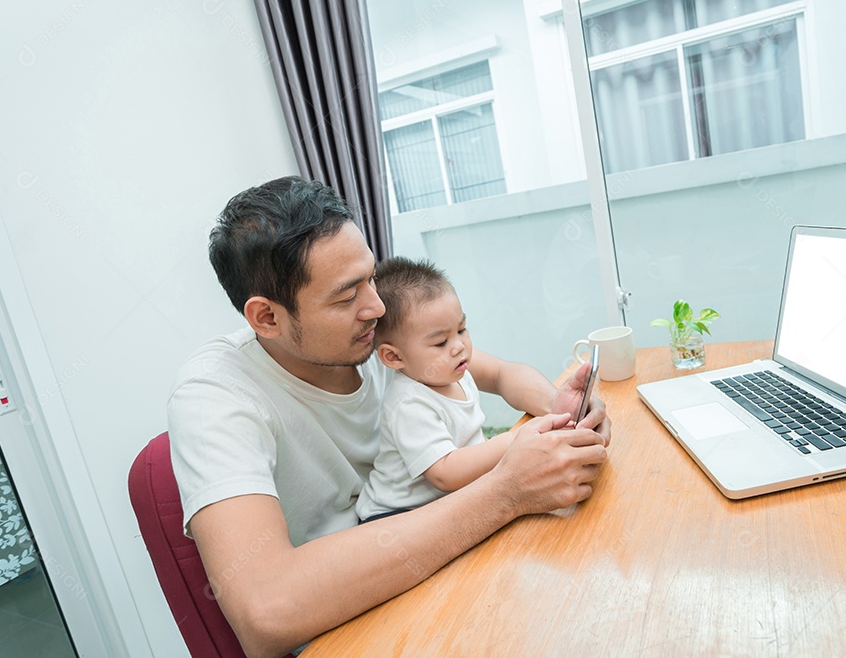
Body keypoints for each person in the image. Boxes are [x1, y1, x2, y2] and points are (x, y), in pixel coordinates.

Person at [167, 177, 610, 658]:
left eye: (371, 278)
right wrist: (506, 492)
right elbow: (267, 612)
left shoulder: (377, 335)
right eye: (345, 297)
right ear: (267, 319)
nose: (376, 306)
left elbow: (497, 372)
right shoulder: (214, 395)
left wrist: (561, 409)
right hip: (353, 628)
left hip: (441, 569)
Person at [356, 256, 526, 522]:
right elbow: (445, 473)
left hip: (443, 502)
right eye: (440, 342)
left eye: (462, 329)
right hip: (395, 515)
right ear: (394, 357)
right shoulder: (408, 403)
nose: (458, 346)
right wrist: (513, 439)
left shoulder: (456, 373)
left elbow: (470, 442)